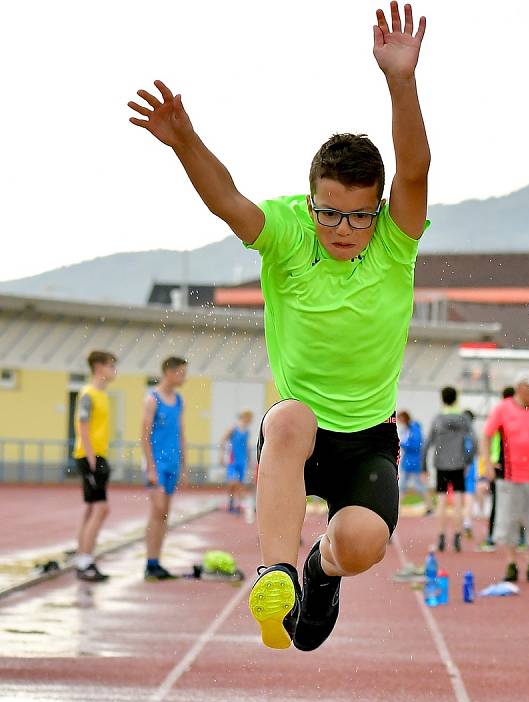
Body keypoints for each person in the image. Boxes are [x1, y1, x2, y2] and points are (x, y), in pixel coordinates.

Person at [130, 2, 430, 650]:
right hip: (301, 431)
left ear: (378, 210)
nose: (344, 230)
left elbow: (413, 171)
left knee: (363, 544)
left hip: (369, 437)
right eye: (330, 213)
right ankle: (278, 576)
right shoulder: (289, 232)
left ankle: (321, 571)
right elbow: (228, 200)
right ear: (310, 198)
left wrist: (400, 82)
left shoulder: (395, 241)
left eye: (358, 216)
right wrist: (186, 142)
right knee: (288, 418)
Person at [480, 371, 529, 583]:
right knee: (509, 521)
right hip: (509, 475)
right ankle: (511, 563)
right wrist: (487, 462)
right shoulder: (503, 409)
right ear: (519, 387)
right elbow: (486, 436)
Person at [141, 356, 187, 581]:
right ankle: (149, 562)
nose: (184, 377)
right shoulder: (152, 399)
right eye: (181, 372)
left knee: (164, 514)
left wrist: (184, 464)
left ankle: (156, 561)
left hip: (172, 464)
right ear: (169, 372)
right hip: (156, 465)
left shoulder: (178, 400)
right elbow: (144, 435)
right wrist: (150, 467)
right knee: (156, 512)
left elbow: (181, 433)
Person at [73, 351, 118, 582]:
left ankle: (81, 554)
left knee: (92, 508)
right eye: (111, 366)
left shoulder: (103, 395)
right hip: (91, 457)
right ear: (99, 368)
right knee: (102, 509)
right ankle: (85, 561)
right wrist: (91, 458)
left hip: (98, 455)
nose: (114, 371)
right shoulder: (88, 394)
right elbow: (83, 426)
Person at [421, 387, 476, 552]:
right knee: (458, 500)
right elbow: (474, 440)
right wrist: (468, 460)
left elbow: (427, 444)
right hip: (458, 464)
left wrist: (424, 466)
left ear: (442, 399)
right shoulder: (463, 419)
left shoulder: (437, 419)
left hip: (442, 465)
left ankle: (441, 537)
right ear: (456, 399)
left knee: (442, 501)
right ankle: (457, 537)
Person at [481, 386, 516, 552]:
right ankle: (514, 536)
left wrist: (490, 462)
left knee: (498, 501)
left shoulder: (500, 413)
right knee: (512, 502)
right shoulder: (505, 415)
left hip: (502, 464)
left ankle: (492, 537)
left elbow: (488, 438)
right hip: (507, 464)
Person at [220, 410, 254, 514]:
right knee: (232, 482)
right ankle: (231, 502)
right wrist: (221, 455)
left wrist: (250, 460)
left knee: (240, 483)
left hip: (242, 461)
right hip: (232, 460)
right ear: (243, 417)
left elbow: (247, 447)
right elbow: (222, 441)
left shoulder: (247, 431)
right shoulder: (233, 429)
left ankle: (237, 506)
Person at [397, 411, 428, 506]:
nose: (399, 421)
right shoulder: (407, 429)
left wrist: (402, 444)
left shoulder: (414, 429)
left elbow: (416, 445)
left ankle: (429, 506)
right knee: (402, 486)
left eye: (400, 419)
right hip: (408, 461)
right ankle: (397, 506)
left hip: (415, 461)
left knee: (419, 486)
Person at [462, 409, 479, 539]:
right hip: (470, 465)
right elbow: (475, 448)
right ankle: (466, 521)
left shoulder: (460, 431)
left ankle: (464, 521)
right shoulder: (472, 432)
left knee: (461, 493)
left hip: (459, 464)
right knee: (469, 493)